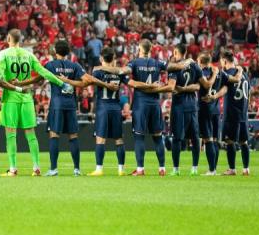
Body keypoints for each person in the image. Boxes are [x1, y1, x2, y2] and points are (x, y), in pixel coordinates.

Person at [0, 29, 74, 176]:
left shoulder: (4, 54)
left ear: (9, 38)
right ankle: (36, 167)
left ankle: (13, 168)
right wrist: (62, 84)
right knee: (31, 134)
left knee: (10, 134)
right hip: (27, 97)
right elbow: (44, 73)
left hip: (11, 97)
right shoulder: (29, 55)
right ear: (21, 39)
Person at [38, 39, 106, 176]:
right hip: (70, 105)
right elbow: (86, 82)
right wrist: (71, 82)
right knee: (73, 136)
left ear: (55, 51)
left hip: (56, 105)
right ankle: (76, 169)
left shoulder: (50, 65)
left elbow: (38, 78)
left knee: (54, 135)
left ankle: (53, 169)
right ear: (68, 52)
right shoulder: (74, 65)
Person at [123, 40, 175, 176]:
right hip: (155, 103)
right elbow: (172, 67)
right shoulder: (158, 63)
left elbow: (125, 73)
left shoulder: (134, 63)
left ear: (139, 48)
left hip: (141, 103)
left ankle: (140, 169)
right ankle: (162, 169)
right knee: (158, 137)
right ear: (151, 49)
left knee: (139, 137)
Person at [166, 44, 208, 176]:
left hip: (179, 107)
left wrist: (182, 89)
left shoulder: (174, 67)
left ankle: (176, 169)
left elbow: (172, 87)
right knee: (195, 138)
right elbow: (202, 85)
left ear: (175, 52)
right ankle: (194, 169)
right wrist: (193, 87)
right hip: (192, 107)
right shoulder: (195, 66)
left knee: (177, 138)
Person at [88, 48, 129, 176]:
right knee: (119, 140)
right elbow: (129, 82)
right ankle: (121, 170)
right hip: (116, 108)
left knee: (100, 140)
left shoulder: (98, 71)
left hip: (103, 108)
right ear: (113, 58)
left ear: (102, 59)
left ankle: (99, 169)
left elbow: (91, 80)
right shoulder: (119, 73)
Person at [220, 51, 251, 176]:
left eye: (222, 61)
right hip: (243, 113)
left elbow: (223, 89)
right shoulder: (244, 75)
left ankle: (232, 169)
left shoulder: (226, 74)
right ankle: (246, 169)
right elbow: (249, 92)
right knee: (244, 142)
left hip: (231, 113)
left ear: (225, 61)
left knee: (230, 141)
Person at [198, 54, 226, 175]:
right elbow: (226, 87)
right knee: (214, 140)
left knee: (208, 140)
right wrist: (216, 96)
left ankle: (212, 170)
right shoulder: (219, 71)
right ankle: (214, 169)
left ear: (201, 61)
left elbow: (207, 84)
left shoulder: (202, 71)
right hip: (216, 109)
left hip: (205, 108)